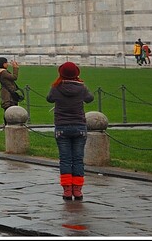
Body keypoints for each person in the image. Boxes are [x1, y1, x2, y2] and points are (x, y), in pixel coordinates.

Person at [46, 62, 94, 200]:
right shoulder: (81, 88)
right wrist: (80, 84)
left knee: (65, 159)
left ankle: (67, 190)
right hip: (79, 126)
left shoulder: (56, 87)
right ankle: (77, 190)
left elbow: (49, 99)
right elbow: (90, 99)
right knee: (78, 159)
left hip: (62, 127)